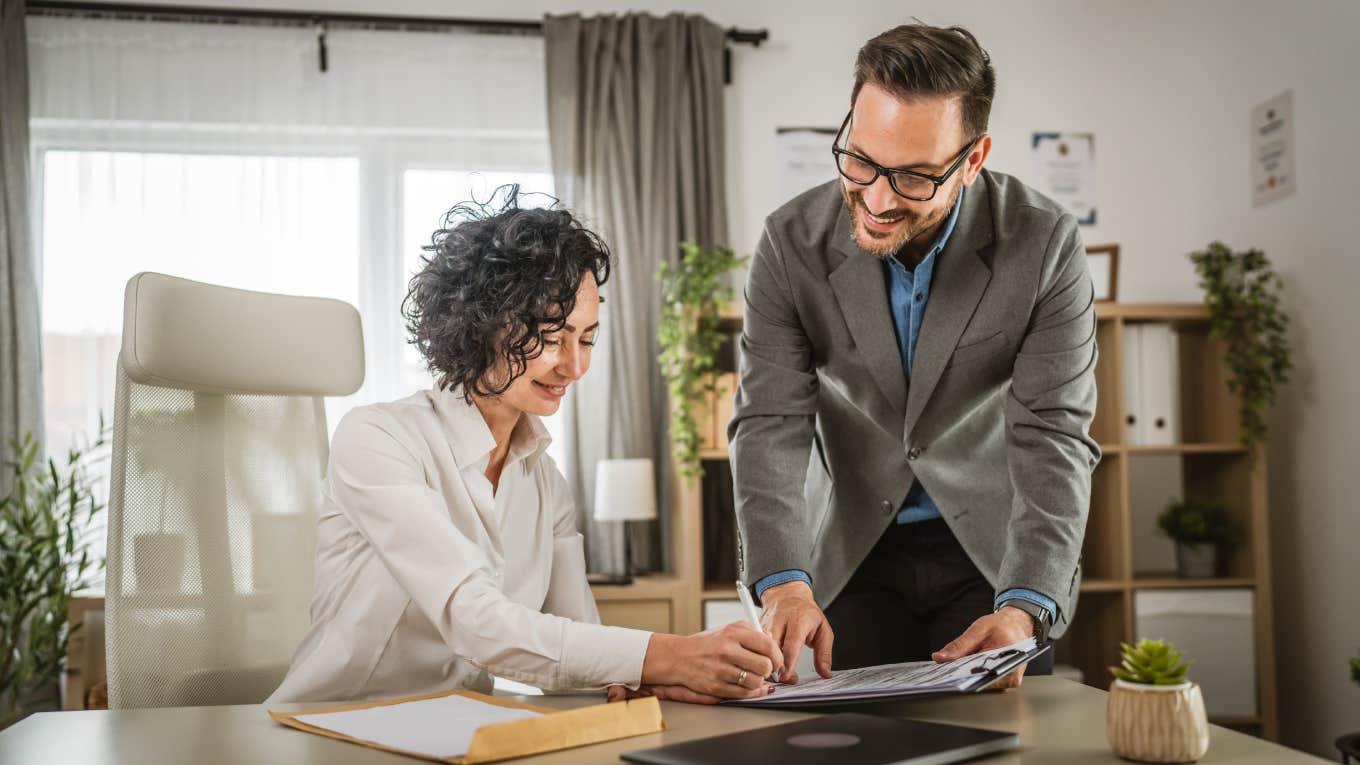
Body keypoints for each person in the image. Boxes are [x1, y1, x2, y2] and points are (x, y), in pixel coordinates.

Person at [269, 189, 780, 705]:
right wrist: (667, 654)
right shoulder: (377, 440)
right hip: (331, 727)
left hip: (454, 734)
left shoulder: (545, 484)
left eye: (586, 339)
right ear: (483, 326)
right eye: (552, 338)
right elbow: (476, 623)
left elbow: (580, 650)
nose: (573, 367)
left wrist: (658, 674)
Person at [731, 23, 1100, 688]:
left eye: (914, 177)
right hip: (849, 549)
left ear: (974, 158)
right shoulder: (790, 244)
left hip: (992, 557)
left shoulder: (1045, 246)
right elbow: (770, 423)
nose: (876, 199)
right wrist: (783, 581)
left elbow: (1055, 435)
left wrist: (1024, 606)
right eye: (861, 160)